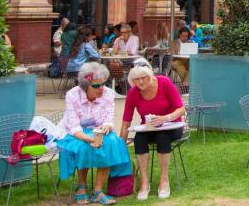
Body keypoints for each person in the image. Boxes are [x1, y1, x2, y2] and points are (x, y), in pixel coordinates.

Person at [56, 62, 130, 206]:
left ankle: (98, 190)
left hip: (98, 129)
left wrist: (106, 128)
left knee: (111, 143)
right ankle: (81, 187)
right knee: (84, 146)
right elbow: (74, 127)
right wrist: (89, 139)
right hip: (76, 132)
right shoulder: (72, 95)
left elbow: (109, 119)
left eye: (103, 83)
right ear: (85, 85)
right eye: (96, 86)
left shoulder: (108, 94)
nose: (101, 88)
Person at [119, 64, 186, 200]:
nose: (140, 82)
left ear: (150, 76)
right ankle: (144, 182)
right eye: (136, 79)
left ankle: (164, 180)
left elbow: (181, 108)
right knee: (139, 138)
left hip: (172, 125)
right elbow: (126, 121)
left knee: (162, 137)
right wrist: (120, 144)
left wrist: (165, 118)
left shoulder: (164, 83)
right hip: (149, 127)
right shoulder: (133, 93)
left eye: (143, 78)